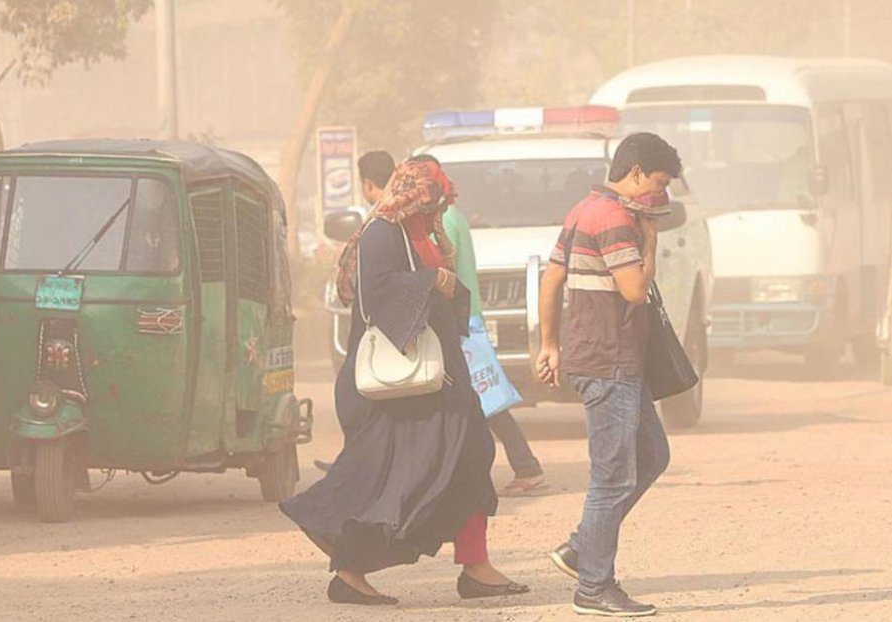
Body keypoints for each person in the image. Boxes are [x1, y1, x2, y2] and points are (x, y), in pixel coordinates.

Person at [282, 160, 529, 606]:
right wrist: (433, 279)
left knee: (470, 457)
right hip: (401, 392)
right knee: (394, 479)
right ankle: (346, 561)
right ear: (413, 195)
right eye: (433, 200)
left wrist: (442, 272)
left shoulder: (419, 234)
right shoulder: (383, 232)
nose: (438, 210)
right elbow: (376, 292)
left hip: (439, 384)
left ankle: (476, 566)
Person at [535, 132, 682, 617]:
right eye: (657, 183)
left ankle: (583, 547)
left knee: (653, 455)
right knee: (613, 477)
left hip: (599, 357)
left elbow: (551, 279)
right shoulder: (619, 220)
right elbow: (635, 289)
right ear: (636, 172)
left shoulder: (582, 210)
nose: (657, 195)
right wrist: (652, 239)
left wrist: (551, 344)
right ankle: (594, 587)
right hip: (610, 360)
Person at [409, 154, 547, 496]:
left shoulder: (442, 219)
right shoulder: (453, 215)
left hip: (460, 321)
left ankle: (526, 465)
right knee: (480, 399)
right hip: (467, 318)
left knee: (486, 400)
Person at [315, 150, 397, 473]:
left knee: (353, 393)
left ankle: (358, 467)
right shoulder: (388, 217)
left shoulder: (382, 221)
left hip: (375, 324)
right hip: (379, 323)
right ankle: (356, 463)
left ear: (367, 184)